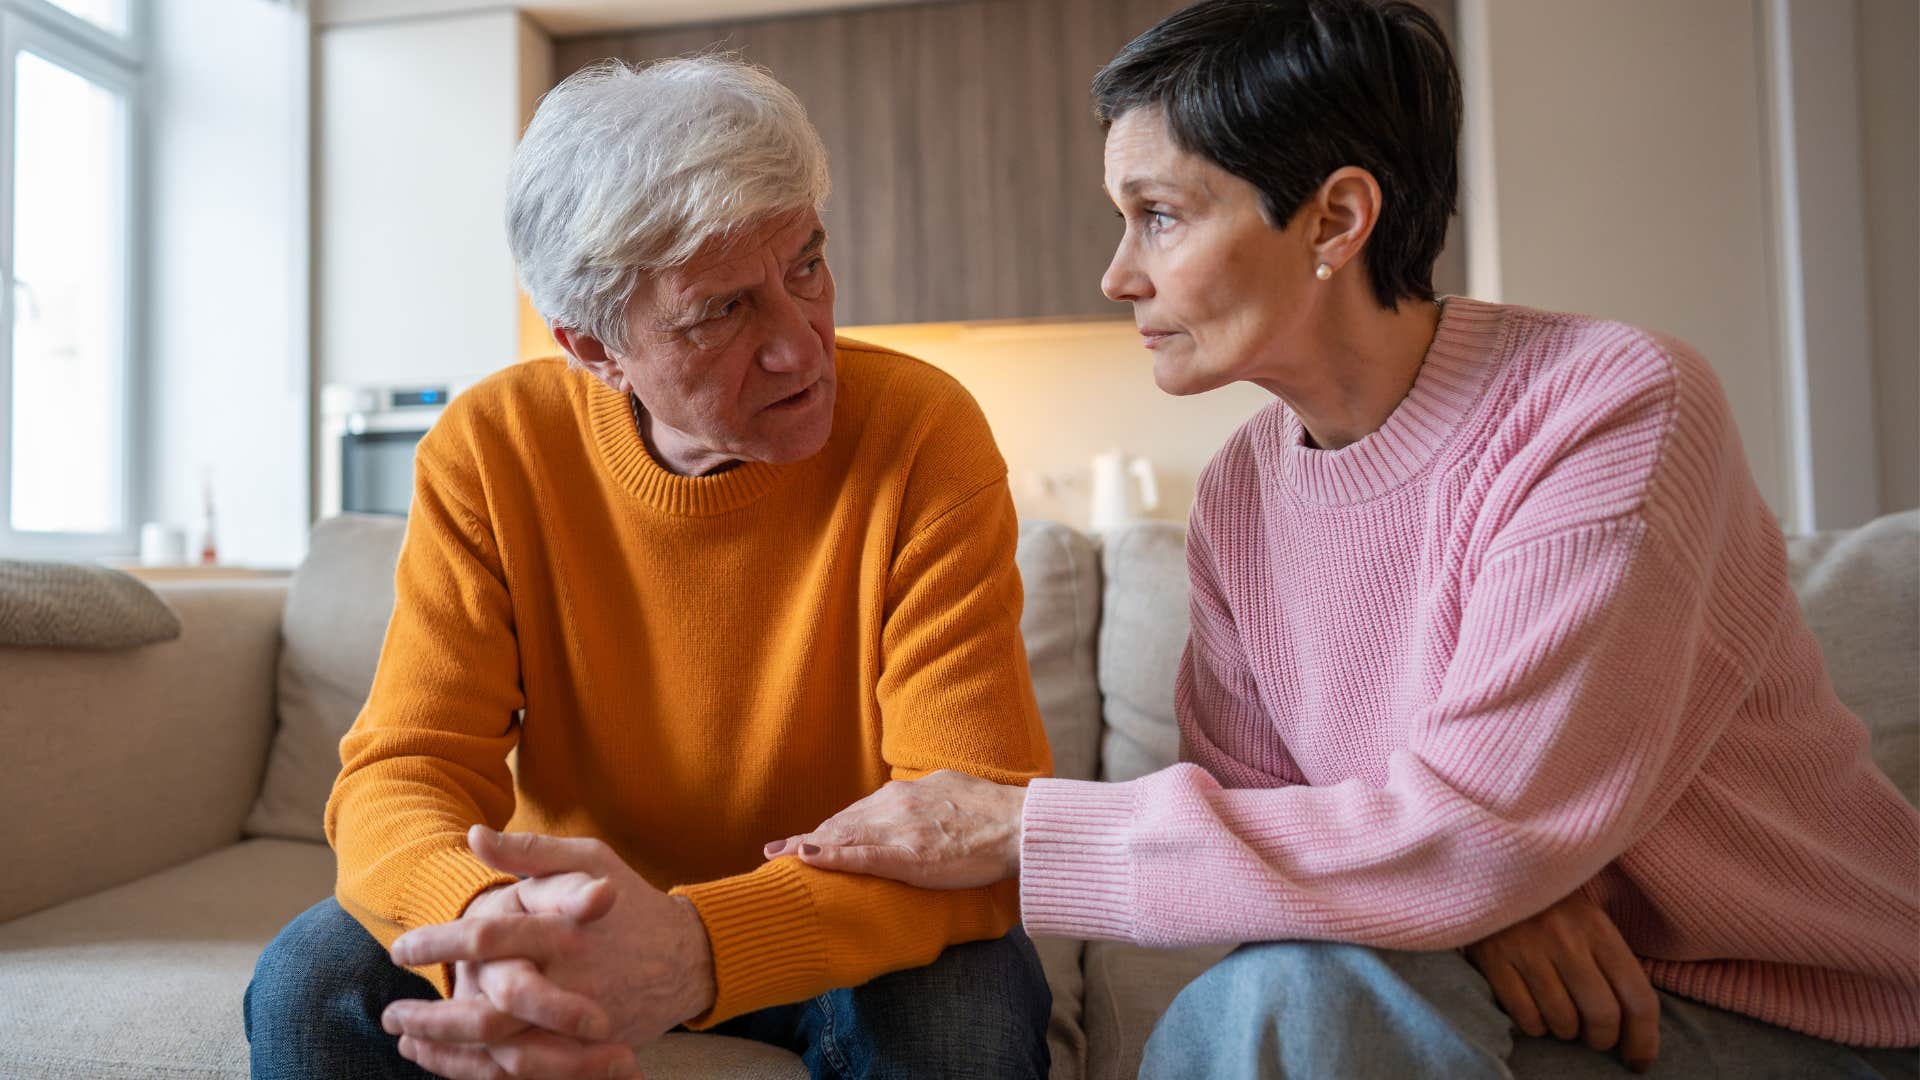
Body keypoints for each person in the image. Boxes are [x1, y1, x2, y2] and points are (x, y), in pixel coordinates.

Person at [765, 2, 1920, 1076]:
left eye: (1158, 216)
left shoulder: (1612, 407)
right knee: (1283, 990)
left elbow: (1467, 836)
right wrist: (1474, 889)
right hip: (1478, 986)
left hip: (1774, 1015)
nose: (1118, 274)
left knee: (1297, 1004)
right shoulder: (1243, 495)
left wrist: (1021, 824)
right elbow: (1276, 851)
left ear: (1336, 219)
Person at [242, 56, 1054, 1080]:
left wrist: (696, 945)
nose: (802, 348)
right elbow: (403, 770)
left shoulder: (923, 432)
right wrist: (487, 917)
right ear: (594, 348)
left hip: (837, 926)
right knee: (313, 983)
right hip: (569, 917)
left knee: (967, 1018)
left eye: (805, 265)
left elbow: (984, 819)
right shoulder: (491, 448)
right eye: (721, 311)